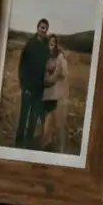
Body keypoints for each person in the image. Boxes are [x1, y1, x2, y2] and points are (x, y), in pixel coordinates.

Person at [15, 17, 51, 148]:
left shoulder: (47, 46)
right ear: (37, 28)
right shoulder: (30, 44)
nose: (43, 30)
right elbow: (22, 66)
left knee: (33, 119)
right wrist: (24, 86)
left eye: (45, 28)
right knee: (23, 117)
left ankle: (28, 144)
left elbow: (53, 60)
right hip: (28, 88)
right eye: (42, 27)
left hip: (40, 90)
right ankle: (18, 144)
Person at [39, 34, 69, 152]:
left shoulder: (60, 56)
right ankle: (49, 137)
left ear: (56, 44)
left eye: (54, 42)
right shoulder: (43, 55)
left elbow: (65, 72)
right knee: (44, 115)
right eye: (49, 41)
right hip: (44, 90)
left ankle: (45, 140)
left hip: (53, 92)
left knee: (49, 115)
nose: (52, 44)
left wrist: (59, 75)